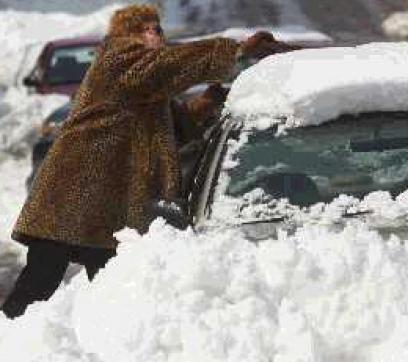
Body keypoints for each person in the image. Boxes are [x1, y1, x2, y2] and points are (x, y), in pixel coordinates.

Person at [1, 4, 287, 319]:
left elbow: (172, 125)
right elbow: (165, 66)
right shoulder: (118, 62)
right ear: (124, 36)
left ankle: (104, 341)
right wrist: (237, 50)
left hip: (103, 206)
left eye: (157, 28)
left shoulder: (143, 84)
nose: (153, 34)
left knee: (112, 283)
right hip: (70, 196)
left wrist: (205, 104)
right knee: (40, 283)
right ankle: (11, 336)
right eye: (142, 29)